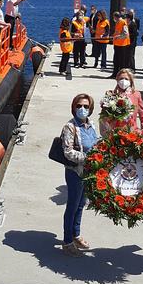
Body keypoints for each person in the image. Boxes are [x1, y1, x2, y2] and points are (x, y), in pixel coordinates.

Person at [60, 93, 99, 256]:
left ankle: (76, 234)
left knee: (82, 204)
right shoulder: (69, 127)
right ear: (73, 107)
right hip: (75, 171)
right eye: (79, 106)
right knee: (72, 205)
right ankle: (67, 241)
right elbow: (67, 151)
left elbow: (96, 143)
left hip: (88, 171)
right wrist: (87, 158)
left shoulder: (91, 125)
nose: (82, 109)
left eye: (85, 106)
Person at [105, 68, 143, 134]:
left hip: (132, 133)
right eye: (121, 79)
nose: (123, 81)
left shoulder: (136, 95)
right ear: (117, 80)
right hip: (115, 133)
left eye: (126, 79)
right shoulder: (111, 95)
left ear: (131, 81)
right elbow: (104, 117)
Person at [110, 11, 129, 77]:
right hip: (117, 44)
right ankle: (115, 74)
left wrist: (117, 37)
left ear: (115, 17)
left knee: (121, 62)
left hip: (122, 45)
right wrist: (113, 36)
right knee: (116, 60)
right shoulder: (117, 22)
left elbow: (125, 34)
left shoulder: (123, 22)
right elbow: (117, 32)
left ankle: (121, 75)